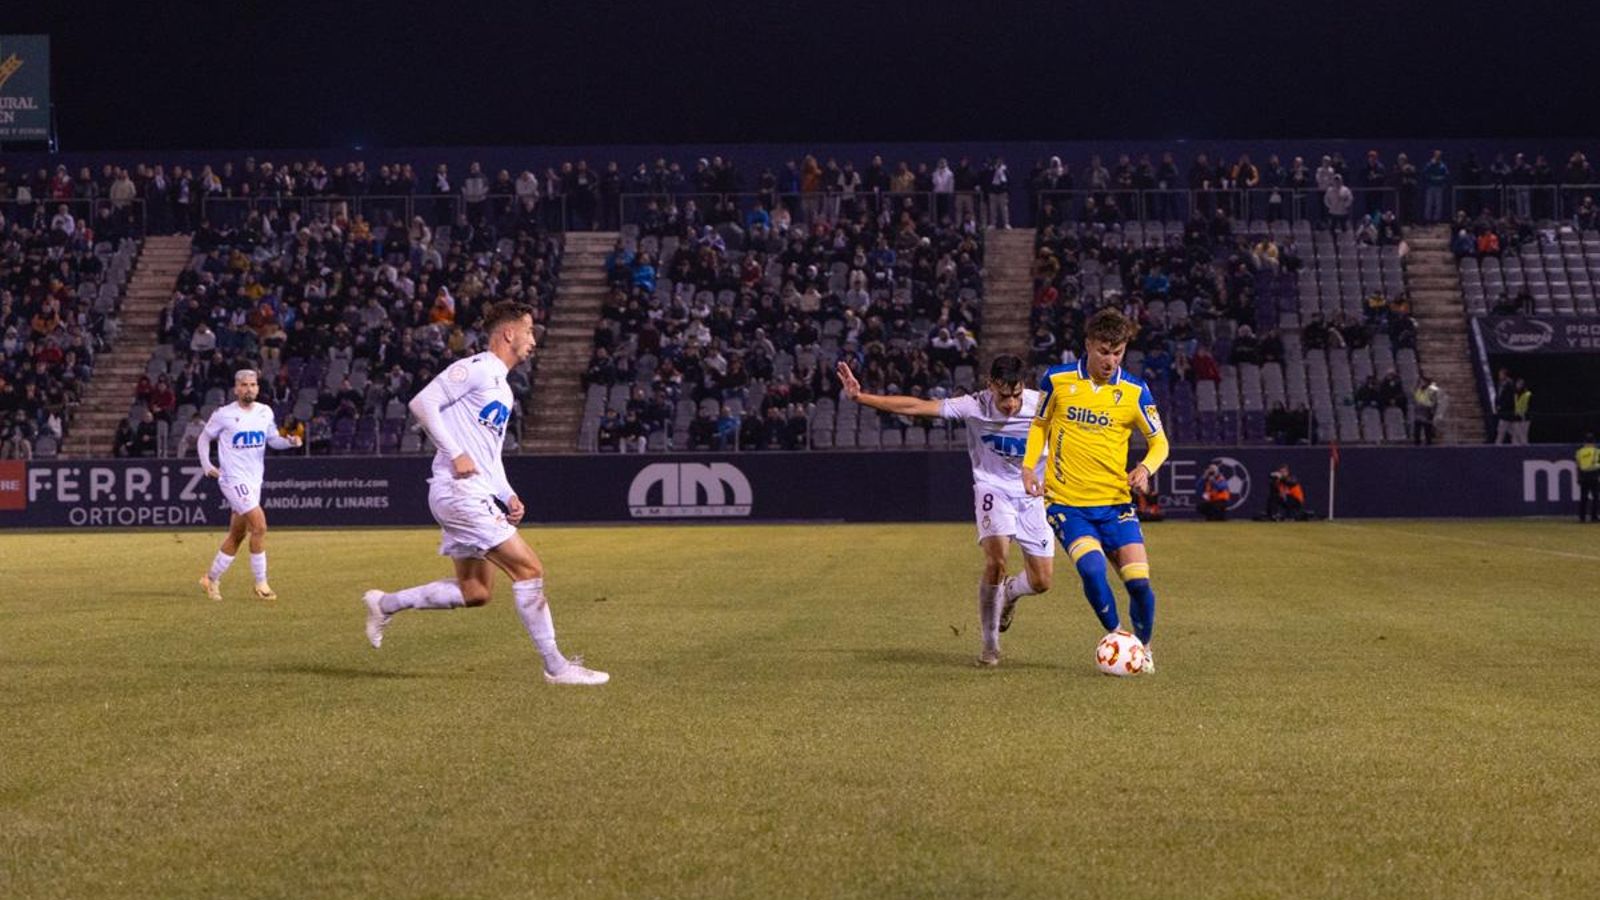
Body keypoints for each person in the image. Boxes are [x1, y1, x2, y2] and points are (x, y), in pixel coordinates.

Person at [362, 301, 607, 686]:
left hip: (470, 491)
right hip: (458, 493)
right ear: (508, 333)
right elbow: (421, 403)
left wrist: (507, 493)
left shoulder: (504, 390)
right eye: (528, 331)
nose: (533, 340)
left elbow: (489, 456)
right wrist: (454, 452)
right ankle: (557, 667)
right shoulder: (477, 369)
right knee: (529, 569)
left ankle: (385, 603)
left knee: (475, 591)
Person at [838, 354, 1054, 668]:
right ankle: (990, 645)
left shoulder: (1042, 406)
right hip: (992, 488)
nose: (1010, 404)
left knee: (1042, 581)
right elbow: (916, 406)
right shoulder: (975, 405)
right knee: (997, 560)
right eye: (1004, 396)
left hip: (1032, 495)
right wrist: (860, 397)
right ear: (990, 385)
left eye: (1017, 394)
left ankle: (1009, 593)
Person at [1022, 307, 1169, 673]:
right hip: (1067, 504)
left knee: (1139, 583)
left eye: (1117, 352)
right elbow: (1040, 425)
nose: (1110, 360)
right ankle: (1118, 638)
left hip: (1115, 504)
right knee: (1091, 571)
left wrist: (1145, 468)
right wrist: (1028, 467)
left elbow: (1160, 443)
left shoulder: (1134, 390)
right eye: (1104, 351)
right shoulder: (1056, 381)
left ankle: (1144, 648)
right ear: (1087, 345)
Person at [197, 369, 302, 601]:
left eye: (253, 385)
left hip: (254, 480)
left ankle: (210, 578)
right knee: (260, 526)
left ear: (258, 387)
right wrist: (206, 464)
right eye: (244, 385)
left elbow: (272, 439)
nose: (249, 389)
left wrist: (290, 442)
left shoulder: (265, 412)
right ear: (236, 389)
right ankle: (261, 583)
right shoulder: (223, 414)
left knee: (237, 535)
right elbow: (204, 438)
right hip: (233, 479)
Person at [1577, 433, 1599, 523]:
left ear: (1584, 442)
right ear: (1594, 441)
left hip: (1583, 476)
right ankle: (1594, 517)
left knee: (1583, 497)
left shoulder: (1579, 452)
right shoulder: (1596, 451)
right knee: (1595, 497)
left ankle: (1582, 517)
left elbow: (1578, 466)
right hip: (1594, 476)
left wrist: (1578, 477)